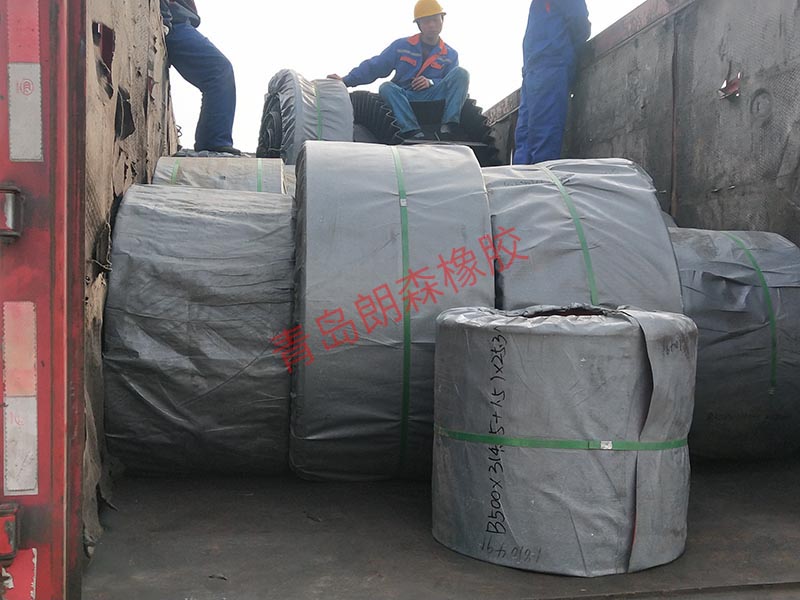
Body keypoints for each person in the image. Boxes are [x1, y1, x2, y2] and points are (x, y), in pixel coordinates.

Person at [328, 0, 469, 140]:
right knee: (386, 87)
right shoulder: (402, 46)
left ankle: (449, 126)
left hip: (433, 97)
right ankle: (412, 131)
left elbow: (451, 84)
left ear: (442, 20)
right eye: (426, 21)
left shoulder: (450, 54)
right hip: (405, 97)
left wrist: (431, 82)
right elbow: (375, 66)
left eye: (435, 20)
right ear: (419, 24)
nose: (432, 25)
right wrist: (345, 81)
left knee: (461, 73)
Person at [513, 0, 590, 164]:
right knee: (542, 137)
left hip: (535, 68)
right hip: (549, 65)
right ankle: (537, 179)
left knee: (527, 139)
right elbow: (580, 25)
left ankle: (527, 178)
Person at [160, 0, 240, 154]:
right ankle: (213, 142)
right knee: (219, 70)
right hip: (175, 21)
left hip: (177, 20)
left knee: (220, 70)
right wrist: (165, 20)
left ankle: (212, 142)